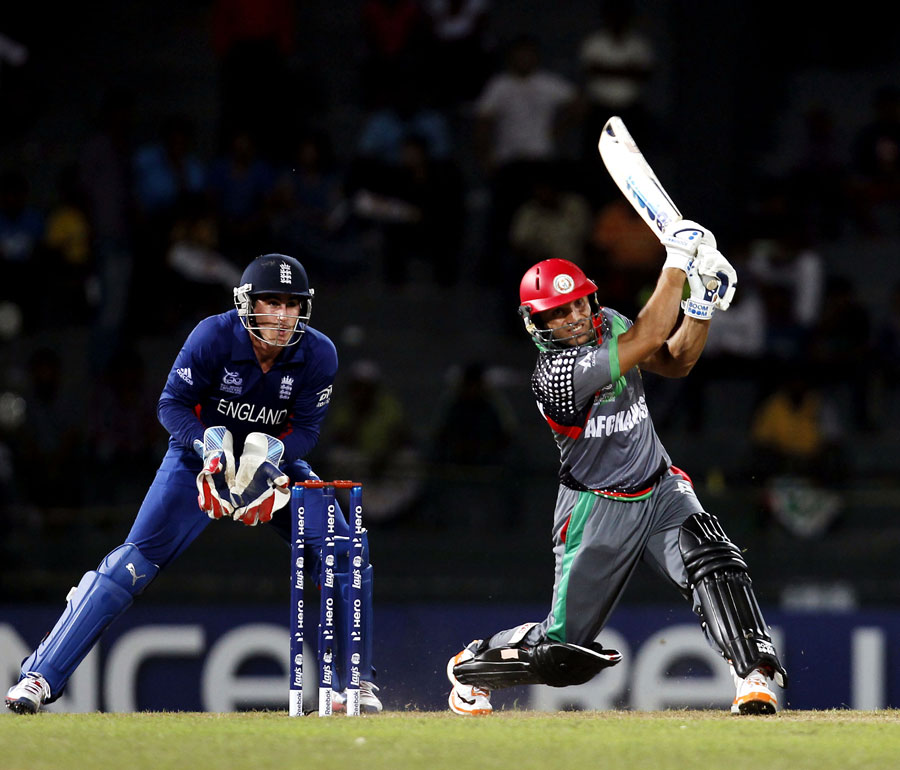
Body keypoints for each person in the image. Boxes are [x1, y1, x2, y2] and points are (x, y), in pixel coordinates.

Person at [6, 253, 382, 715]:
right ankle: (38, 677)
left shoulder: (319, 353)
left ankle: (358, 684)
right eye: (271, 303)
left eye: (292, 304)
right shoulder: (213, 336)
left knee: (345, 545)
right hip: (199, 460)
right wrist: (207, 446)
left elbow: (305, 428)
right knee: (129, 566)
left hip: (271, 465)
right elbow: (171, 405)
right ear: (247, 303)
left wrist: (275, 457)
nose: (282, 316)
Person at [445, 222, 788, 716]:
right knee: (561, 653)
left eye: (579, 303)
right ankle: (471, 667)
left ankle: (752, 679)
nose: (575, 318)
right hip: (596, 509)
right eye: (558, 313)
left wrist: (701, 304)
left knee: (712, 559)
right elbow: (651, 333)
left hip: (659, 485)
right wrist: (677, 262)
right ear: (536, 324)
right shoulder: (557, 375)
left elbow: (674, 360)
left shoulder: (608, 320)